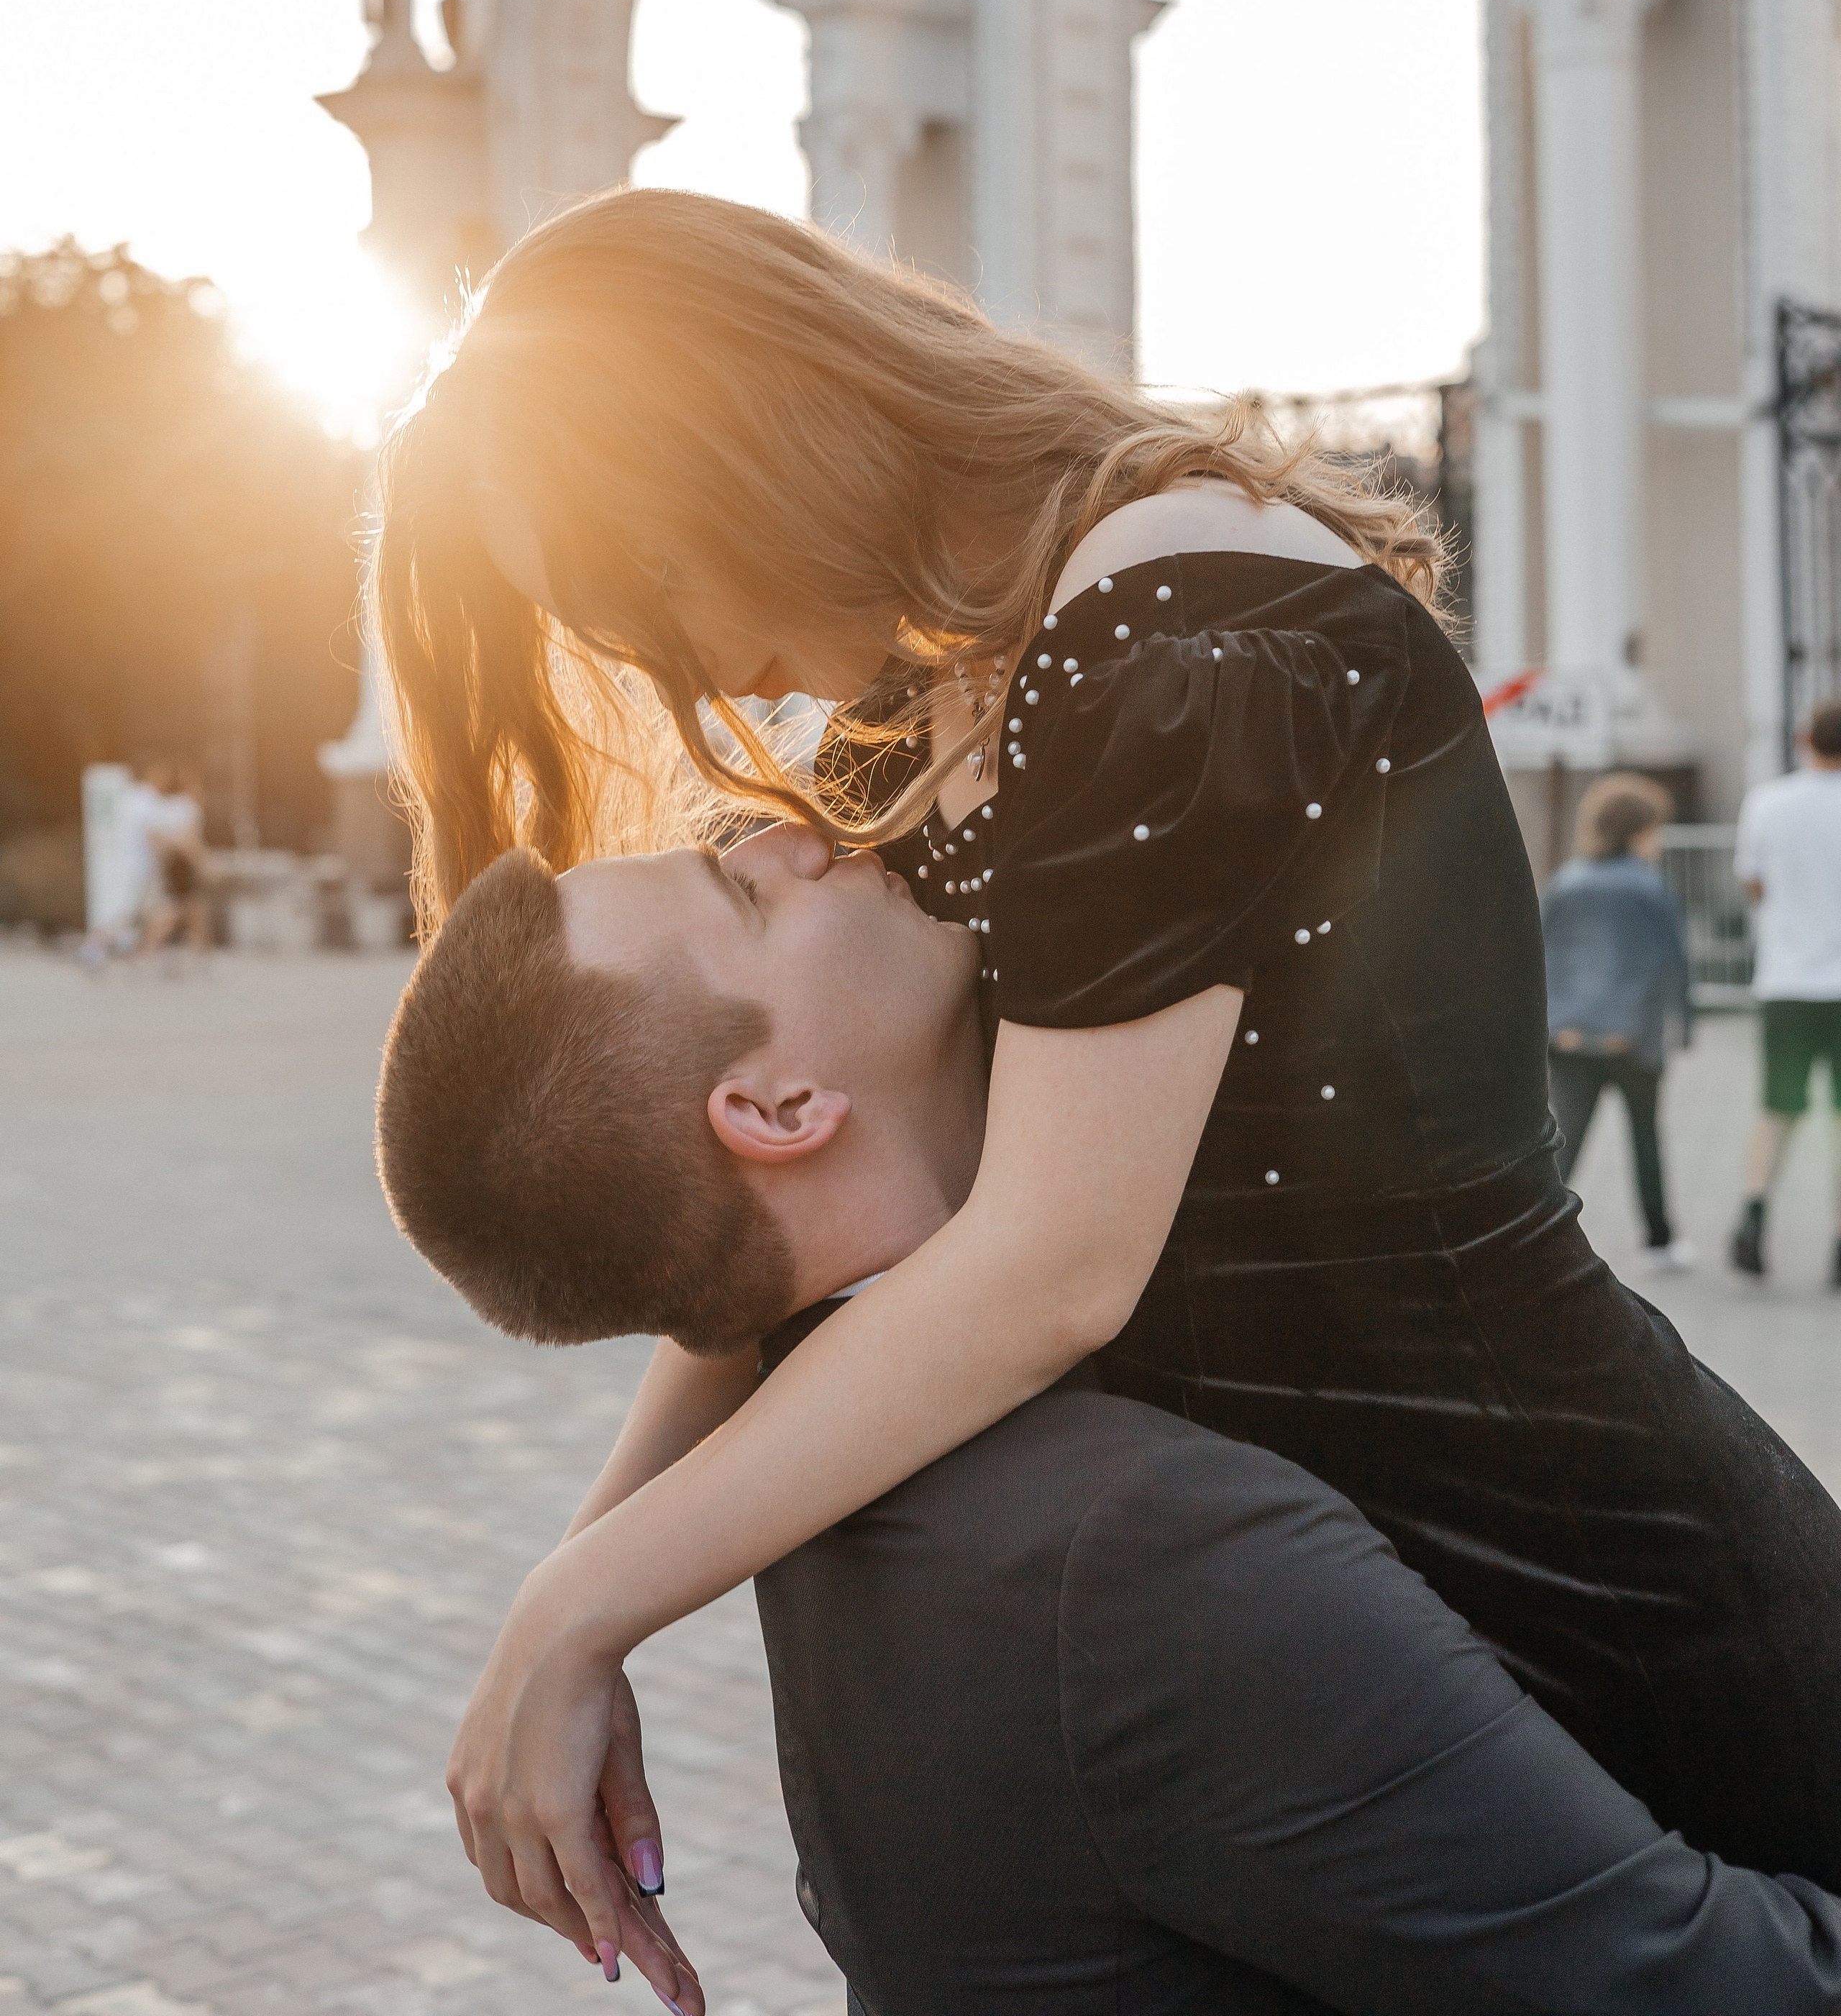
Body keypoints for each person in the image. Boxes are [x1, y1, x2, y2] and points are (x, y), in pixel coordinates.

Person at [373, 188, 1841, 1948]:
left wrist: (586, 1601)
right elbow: (743, 1240)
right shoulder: (924, 706)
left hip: (1596, 1575)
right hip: (1338, 1619)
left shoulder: (1168, 622)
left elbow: (1048, 1268)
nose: (681, 667)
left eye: (650, 583)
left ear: (758, 438)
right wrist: (574, 1587)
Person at [376, 834, 1841, 2013]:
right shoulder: (1137, 1550)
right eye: (746, 888)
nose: (802, 834)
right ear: (775, 1106)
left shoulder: (830, 1488)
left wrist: (579, 1598)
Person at [1542, 772, 1694, 1270]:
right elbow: (1672, 962)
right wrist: (1684, 1027)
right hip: (1633, 1037)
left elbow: (1543, 958)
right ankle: (1659, 1240)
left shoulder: (1566, 882)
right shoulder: (1650, 887)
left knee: (1563, 1143)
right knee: (1646, 1139)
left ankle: (1539, 1236)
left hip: (1568, 1036)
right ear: (1638, 832)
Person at [1730, 698, 1841, 1284]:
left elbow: (1754, 884)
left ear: (1804, 738)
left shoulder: (1768, 803)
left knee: (1777, 1111)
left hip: (1788, 981)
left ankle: (1753, 1219)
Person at [134, 758, 211, 959]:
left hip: (173, 867)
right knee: (179, 912)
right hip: (180, 868)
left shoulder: (173, 805)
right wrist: (204, 861)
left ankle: (204, 959)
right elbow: (186, 839)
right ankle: (142, 953)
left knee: (194, 913)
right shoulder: (189, 807)